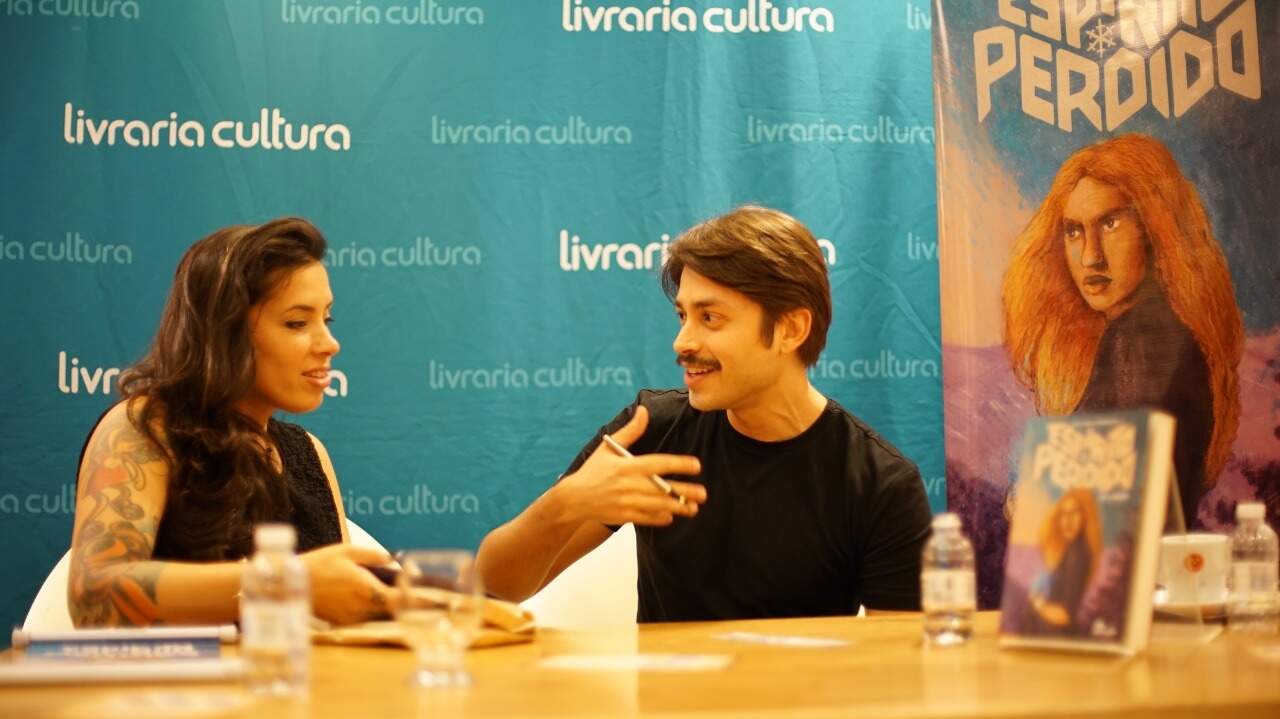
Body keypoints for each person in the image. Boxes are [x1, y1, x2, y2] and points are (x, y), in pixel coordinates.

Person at [476, 205, 932, 621]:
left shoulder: (880, 483)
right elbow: (494, 588)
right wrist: (563, 505)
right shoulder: (648, 431)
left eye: (710, 318)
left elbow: (901, 666)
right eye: (682, 317)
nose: (682, 343)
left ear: (791, 328)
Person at [68, 217, 394, 627]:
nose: (329, 344)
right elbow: (94, 595)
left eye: (325, 320)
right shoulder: (145, 429)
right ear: (225, 333)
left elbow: (344, 623)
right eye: (297, 323)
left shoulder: (309, 454)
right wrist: (287, 582)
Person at [1002, 134, 1243, 526]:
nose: (1091, 255)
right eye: (1074, 231)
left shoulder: (1145, 337)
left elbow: (1108, 501)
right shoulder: (1135, 334)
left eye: (1110, 223)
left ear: (1153, 228)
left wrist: (1031, 501)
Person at [1025, 488, 1102, 636]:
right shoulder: (1072, 549)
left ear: (1085, 517)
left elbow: (1065, 616)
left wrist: (1038, 604)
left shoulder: (1077, 554)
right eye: (1064, 514)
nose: (1067, 520)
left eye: (1074, 512)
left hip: (1059, 638)